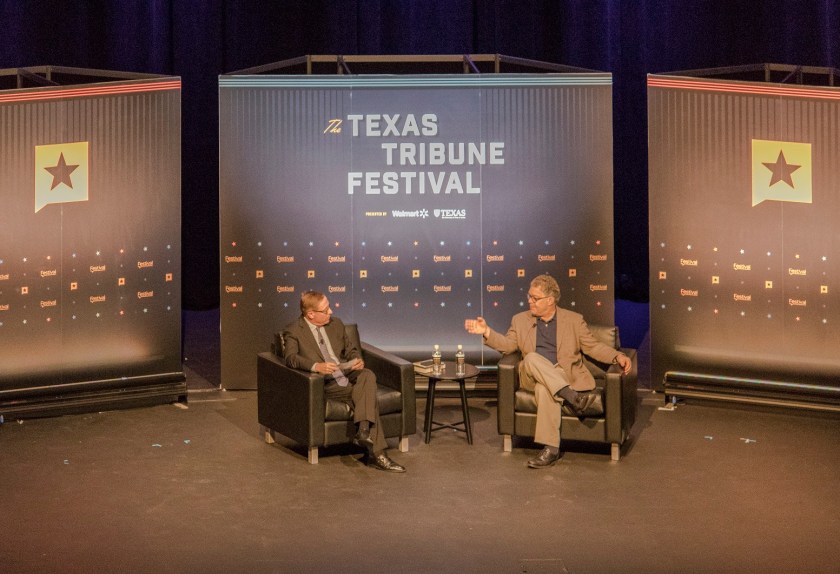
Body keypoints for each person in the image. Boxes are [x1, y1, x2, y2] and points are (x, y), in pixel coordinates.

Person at [465, 274, 631, 469]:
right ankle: (573, 397)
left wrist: (617, 356)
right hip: (531, 375)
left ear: (550, 300)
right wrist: (486, 332)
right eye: (529, 296)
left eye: (535, 298)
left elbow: (593, 347)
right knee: (532, 358)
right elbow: (508, 345)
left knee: (546, 390)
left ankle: (551, 449)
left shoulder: (573, 320)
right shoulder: (520, 320)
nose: (530, 301)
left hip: (562, 375)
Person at [283, 290, 406, 473]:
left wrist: (356, 360)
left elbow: (351, 349)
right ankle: (379, 455)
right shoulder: (293, 331)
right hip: (325, 383)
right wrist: (316, 366)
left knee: (367, 375)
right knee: (367, 396)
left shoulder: (336, 324)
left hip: (346, 373)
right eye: (325, 310)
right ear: (311, 314)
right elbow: (290, 358)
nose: (331, 311)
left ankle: (363, 432)